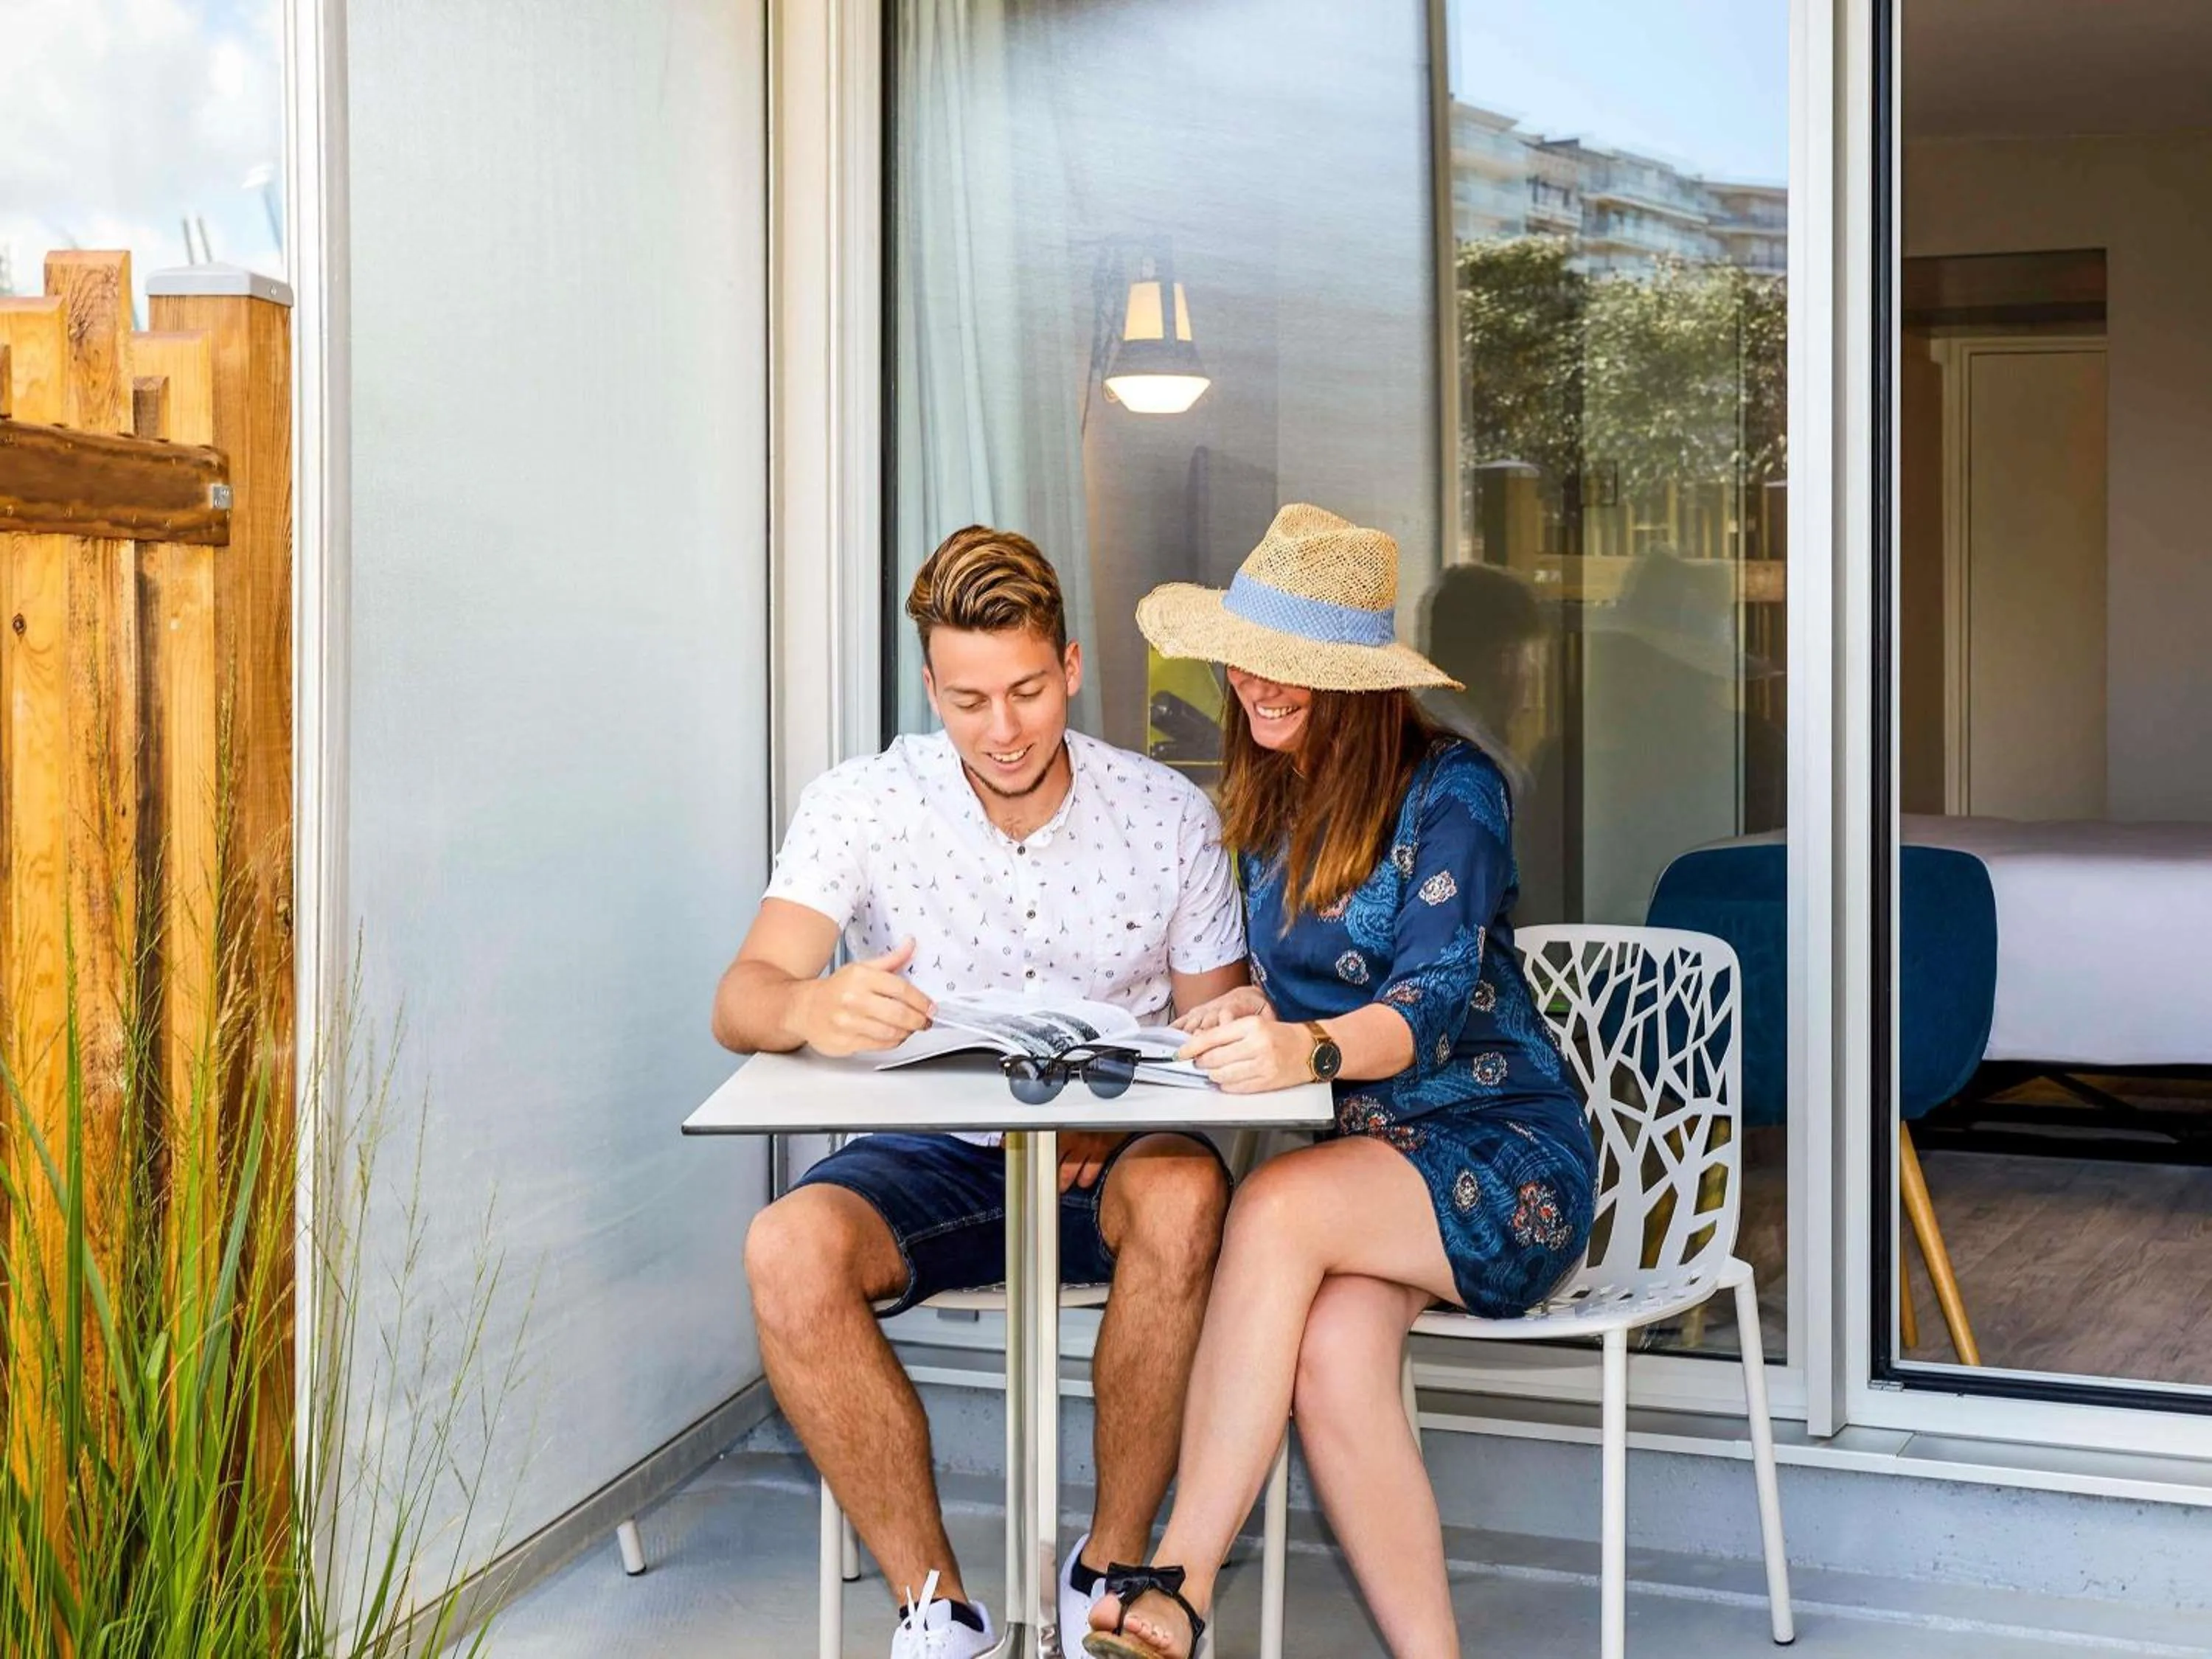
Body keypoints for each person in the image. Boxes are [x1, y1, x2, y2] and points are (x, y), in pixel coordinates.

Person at [721, 525, 1249, 1659]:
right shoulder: (861, 803)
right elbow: (743, 995)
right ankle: (938, 1606)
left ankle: (1107, 1570)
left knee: (1187, 1196)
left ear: (1069, 664)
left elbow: (1222, 1035)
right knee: (786, 1248)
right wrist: (812, 1007)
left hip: (1110, 1154)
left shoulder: (1165, 814)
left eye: (1025, 690)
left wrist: (1143, 1109)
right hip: (934, 1153)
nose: (1002, 732)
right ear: (929, 686)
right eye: (967, 701)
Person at [1082, 504, 1597, 1659]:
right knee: (1328, 1358)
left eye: (1290, 675)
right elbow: (1292, 981)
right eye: (1248, 662)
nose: (1257, 689)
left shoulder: (1456, 790)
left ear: (1357, 683)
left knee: (1271, 1206)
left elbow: (1425, 1001)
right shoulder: (1272, 792)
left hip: (1500, 1152)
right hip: (1371, 1171)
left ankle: (1179, 1580)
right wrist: (1250, 1007)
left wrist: (1305, 1052)